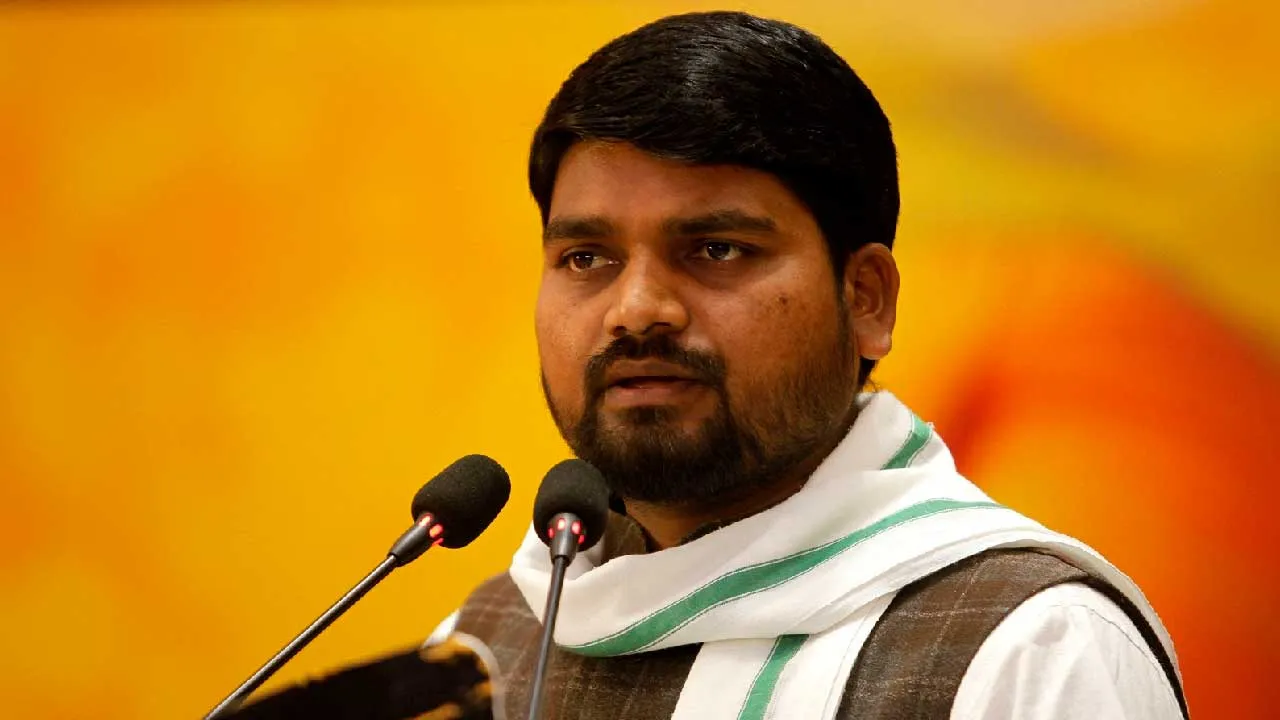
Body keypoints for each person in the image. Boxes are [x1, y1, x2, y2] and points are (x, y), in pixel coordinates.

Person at [437, 11, 1188, 719]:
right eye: (586, 258)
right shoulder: (487, 645)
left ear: (865, 298)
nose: (634, 309)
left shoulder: (1031, 642)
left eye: (716, 249)